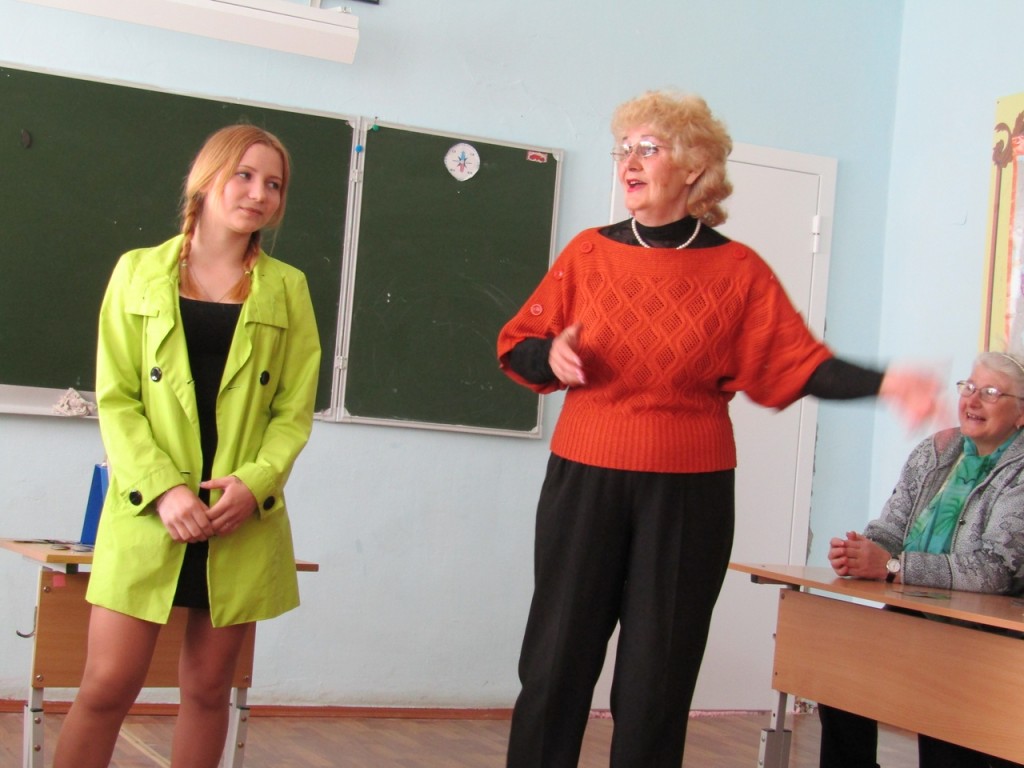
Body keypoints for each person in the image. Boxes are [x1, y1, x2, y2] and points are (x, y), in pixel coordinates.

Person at [496, 90, 944, 768]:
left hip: (689, 492)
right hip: (585, 476)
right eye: (624, 148)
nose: (629, 161)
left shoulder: (738, 271)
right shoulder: (587, 254)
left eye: (648, 148)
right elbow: (519, 343)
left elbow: (798, 362)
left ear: (694, 166)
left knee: (657, 679)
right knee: (556, 662)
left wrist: (887, 383)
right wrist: (552, 355)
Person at [53, 124, 321, 768]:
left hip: (237, 517)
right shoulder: (137, 271)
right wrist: (164, 490)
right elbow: (117, 398)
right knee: (107, 685)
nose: (258, 194)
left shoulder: (288, 287)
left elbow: (292, 413)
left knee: (207, 691)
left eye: (274, 184)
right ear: (207, 178)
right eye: (244, 175)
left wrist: (254, 483)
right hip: (149, 510)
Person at [819, 353, 1024, 768]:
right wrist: (862, 551)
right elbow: (891, 529)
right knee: (837, 668)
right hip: (917, 616)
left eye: (990, 393)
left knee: (945, 725)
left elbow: (995, 570)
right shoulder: (937, 450)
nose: (972, 400)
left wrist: (893, 567)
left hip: (984, 635)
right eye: (968, 387)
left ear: (1021, 414)